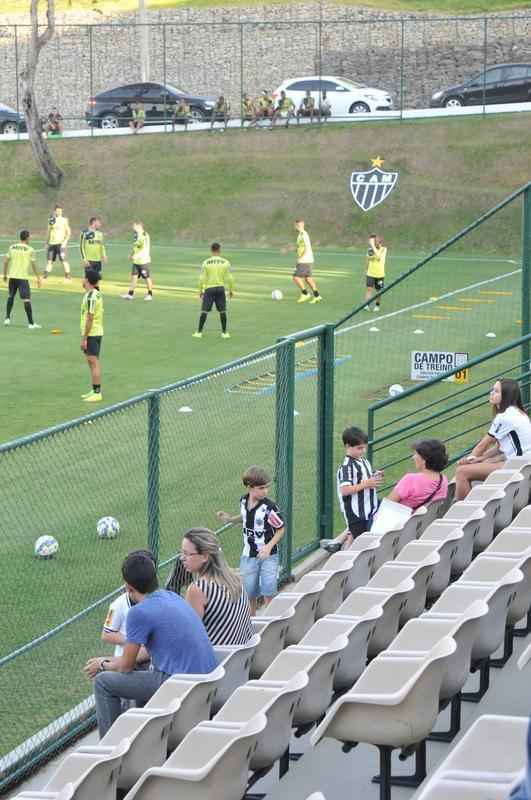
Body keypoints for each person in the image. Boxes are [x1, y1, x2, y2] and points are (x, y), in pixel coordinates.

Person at [84, 551, 217, 738]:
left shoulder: (139, 613)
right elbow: (142, 655)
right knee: (143, 668)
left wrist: (103, 664)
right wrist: (110, 660)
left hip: (179, 683)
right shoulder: (172, 597)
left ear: (128, 587)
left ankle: (109, 749)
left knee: (103, 682)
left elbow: (125, 666)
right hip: (207, 680)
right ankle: (143, 733)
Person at [217, 465, 284, 615]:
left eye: (266, 487)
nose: (265, 491)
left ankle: (270, 623)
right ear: (249, 487)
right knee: (249, 593)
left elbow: (281, 529)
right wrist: (230, 519)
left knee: (269, 592)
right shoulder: (242, 501)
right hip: (248, 556)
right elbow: (245, 517)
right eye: (261, 488)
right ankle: (251, 624)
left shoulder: (269, 508)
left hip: (269, 557)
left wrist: (268, 547)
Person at [455, 378, 531, 499]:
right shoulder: (519, 413)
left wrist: (468, 460)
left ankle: (464, 511)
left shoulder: (505, 417)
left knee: (461, 472)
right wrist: (480, 458)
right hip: (524, 465)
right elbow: (499, 447)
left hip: (517, 467)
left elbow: (483, 445)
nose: (491, 393)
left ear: (506, 396)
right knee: (480, 464)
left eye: (496, 391)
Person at [179, 528, 253, 645]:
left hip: (218, 659)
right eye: (182, 553)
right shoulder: (236, 579)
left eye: (187, 554)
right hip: (240, 658)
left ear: (205, 557)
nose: (182, 558)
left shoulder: (198, 590)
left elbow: (187, 638)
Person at [337, 426, 383, 548]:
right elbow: (345, 490)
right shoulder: (347, 467)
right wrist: (367, 483)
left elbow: (364, 477)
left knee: (368, 542)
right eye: (359, 448)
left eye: (364, 447)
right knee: (361, 546)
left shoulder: (363, 460)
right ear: (347, 446)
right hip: (357, 513)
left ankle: (342, 546)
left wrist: (374, 475)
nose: (363, 451)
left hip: (369, 508)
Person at [387, 439, 449, 510]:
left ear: (424, 459)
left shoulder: (410, 479)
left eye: (416, 454)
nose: (413, 457)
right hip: (429, 520)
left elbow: (388, 505)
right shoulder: (444, 480)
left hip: (405, 520)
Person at [193, 242, 234, 339]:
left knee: (204, 311)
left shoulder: (206, 262)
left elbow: (201, 278)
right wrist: (231, 290)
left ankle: (199, 332)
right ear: (219, 250)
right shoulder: (225, 262)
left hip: (209, 289)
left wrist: (200, 291)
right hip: (220, 289)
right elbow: (230, 278)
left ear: (211, 251)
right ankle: (224, 333)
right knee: (222, 311)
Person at [3, 230, 42, 329]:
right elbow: (33, 265)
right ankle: (31, 324)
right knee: (26, 300)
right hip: (22, 278)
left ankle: (7, 318)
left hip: (12, 277)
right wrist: (38, 278)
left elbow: (5, 261)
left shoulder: (12, 247)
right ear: (27, 238)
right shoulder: (30, 249)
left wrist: (4, 275)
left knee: (10, 296)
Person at [80, 268, 104, 403]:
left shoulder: (91, 297)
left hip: (92, 333)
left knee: (93, 362)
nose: (82, 280)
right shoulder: (94, 293)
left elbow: (90, 318)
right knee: (91, 362)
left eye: (84, 278)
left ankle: (97, 392)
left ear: (88, 280)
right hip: (94, 332)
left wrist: (84, 338)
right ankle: (94, 389)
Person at [122, 221, 153, 301]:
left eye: (134, 226)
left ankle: (150, 294)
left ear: (139, 226)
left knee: (147, 278)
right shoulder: (136, 235)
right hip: (136, 261)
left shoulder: (144, 235)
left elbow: (143, 248)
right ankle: (130, 294)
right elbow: (135, 247)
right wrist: (131, 254)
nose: (133, 227)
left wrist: (135, 255)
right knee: (134, 277)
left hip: (143, 261)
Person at [293, 219, 322, 304]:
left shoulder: (303, 235)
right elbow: (300, 247)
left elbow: (306, 247)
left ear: (300, 225)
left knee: (296, 277)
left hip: (305, 260)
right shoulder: (300, 235)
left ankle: (305, 294)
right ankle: (317, 296)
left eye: (295, 225)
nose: (294, 227)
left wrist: (300, 258)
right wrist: (291, 249)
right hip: (308, 259)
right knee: (308, 278)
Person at [44, 205, 71, 280]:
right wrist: (46, 242)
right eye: (57, 210)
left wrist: (65, 242)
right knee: (49, 261)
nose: (59, 212)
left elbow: (68, 232)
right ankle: (45, 275)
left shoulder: (64, 220)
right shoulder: (51, 220)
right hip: (52, 244)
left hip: (60, 244)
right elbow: (48, 232)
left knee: (63, 260)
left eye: (60, 210)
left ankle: (67, 275)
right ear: (54, 211)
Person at [365, 234, 387, 312]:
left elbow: (378, 257)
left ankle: (377, 305)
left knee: (379, 291)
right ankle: (367, 305)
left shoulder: (384, 249)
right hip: (370, 273)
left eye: (375, 241)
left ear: (380, 242)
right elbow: (368, 259)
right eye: (373, 241)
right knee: (369, 289)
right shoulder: (370, 249)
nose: (374, 243)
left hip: (380, 274)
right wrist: (366, 270)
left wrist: (372, 246)